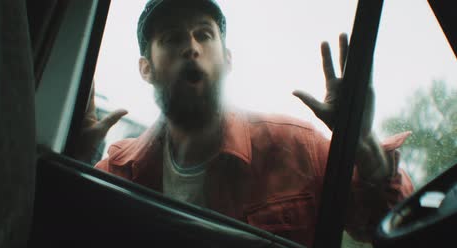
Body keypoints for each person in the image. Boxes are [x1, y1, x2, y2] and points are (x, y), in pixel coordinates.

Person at [72, 0, 414, 246]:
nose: (191, 47)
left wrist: (362, 140)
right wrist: (74, 163)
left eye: (204, 35)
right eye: (173, 38)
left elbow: (391, 229)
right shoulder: (117, 170)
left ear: (228, 59)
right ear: (146, 69)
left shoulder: (297, 148)